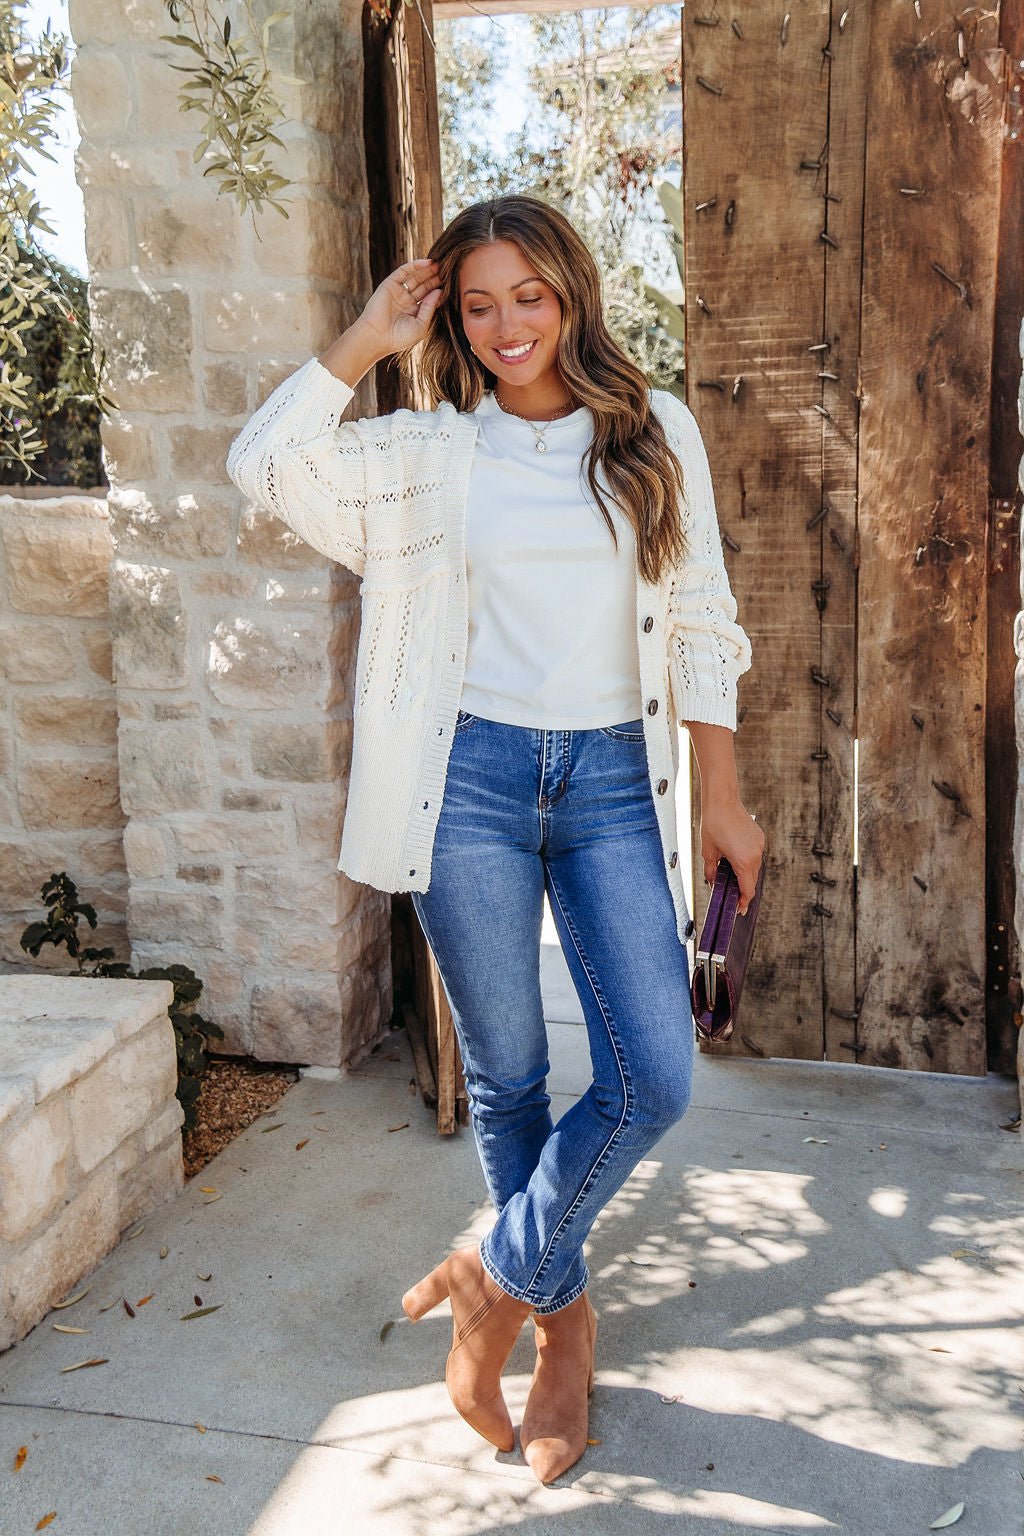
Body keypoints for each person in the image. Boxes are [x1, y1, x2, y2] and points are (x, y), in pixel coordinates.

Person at [226, 194, 764, 1484]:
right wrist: (365, 336)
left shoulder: (651, 436)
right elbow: (263, 466)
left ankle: (496, 1277)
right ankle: (560, 1328)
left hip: (608, 786)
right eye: (478, 304)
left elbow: (701, 621)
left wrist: (726, 797)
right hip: (463, 780)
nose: (507, 324)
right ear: (453, 323)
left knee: (653, 1076)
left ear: (572, 294)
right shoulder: (423, 454)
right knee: (512, 1078)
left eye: (529, 295)